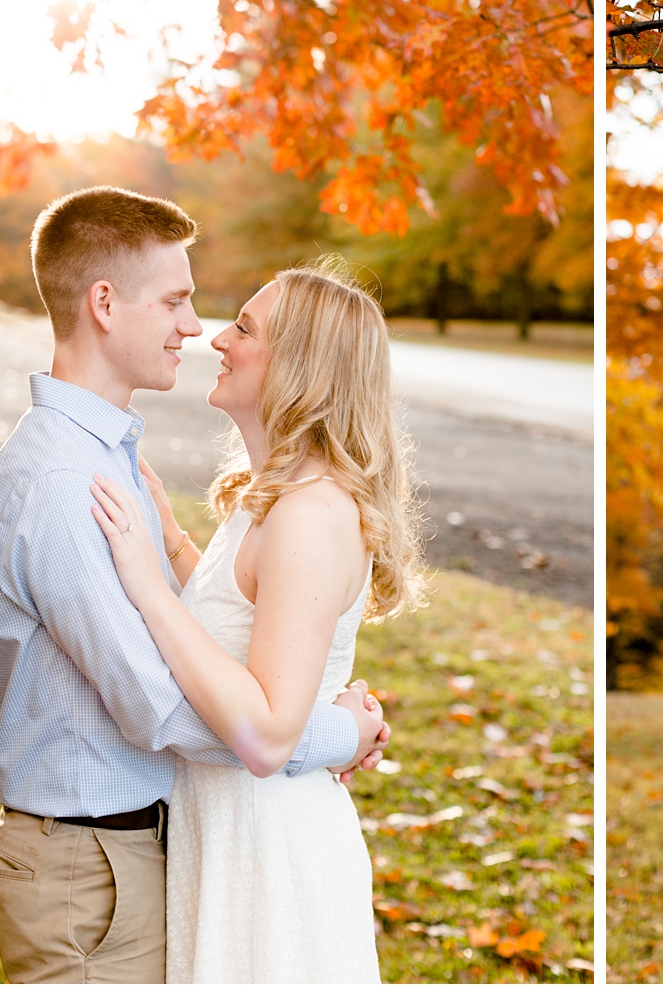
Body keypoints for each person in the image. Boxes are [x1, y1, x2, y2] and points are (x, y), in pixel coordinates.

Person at [0, 188, 389, 983]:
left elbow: (227, 629)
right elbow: (159, 700)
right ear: (104, 304)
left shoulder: (113, 458)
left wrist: (170, 554)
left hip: (181, 851)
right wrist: (335, 735)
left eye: (236, 323)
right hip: (94, 862)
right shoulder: (70, 479)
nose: (201, 330)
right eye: (178, 300)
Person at [89, 257, 427, 983]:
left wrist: (148, 586)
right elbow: (233, 622)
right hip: (230, 837)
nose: (217, 338)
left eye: (244, 327)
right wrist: (170, 540)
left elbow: (269, 731)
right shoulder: (274, 497)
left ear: (299, 366)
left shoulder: (312, 514)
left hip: (272, 857)